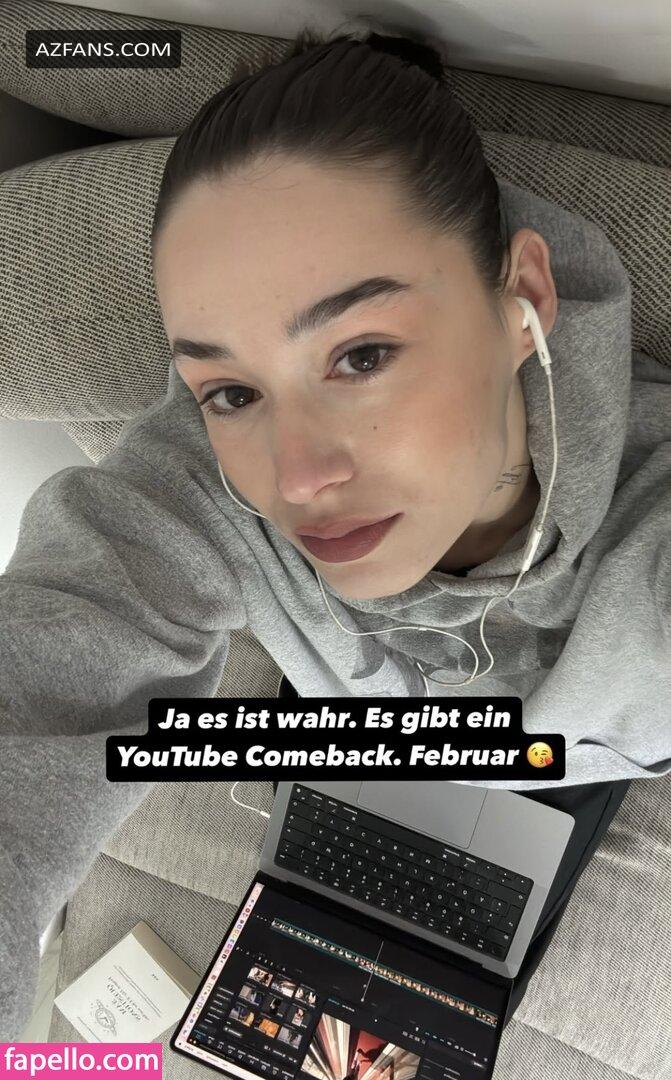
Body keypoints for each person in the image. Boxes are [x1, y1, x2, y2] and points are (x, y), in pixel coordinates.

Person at [0, 26, 669, 1040]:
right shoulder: (199, 485)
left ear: (523, 302)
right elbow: (41, 678)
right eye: (230, 391)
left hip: (566, 771)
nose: (295, 478)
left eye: (359, 356)